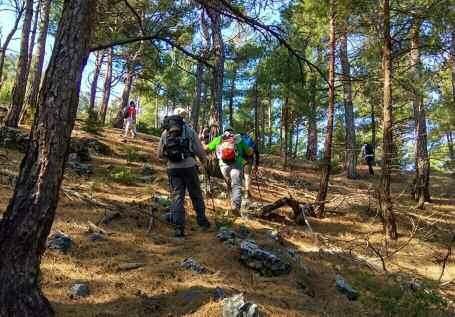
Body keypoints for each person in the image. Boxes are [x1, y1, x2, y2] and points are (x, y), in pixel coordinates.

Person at [158, 107, 210, 237]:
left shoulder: (165, 133)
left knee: (177, 197)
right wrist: (204, 161)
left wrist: (170, 159)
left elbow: (159, 154)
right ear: (183, 117)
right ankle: (202, 222)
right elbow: (199, 150)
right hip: (189, 166)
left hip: (172, 169)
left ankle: (178, 228)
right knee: (196, 194)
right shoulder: (190, 130)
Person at [205, 127, 253, 215]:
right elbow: (249, 152)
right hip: (237, 164)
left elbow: (207, 149)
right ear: (233, 132)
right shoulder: (238, 139)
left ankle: (231, 203)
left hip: (223, 166)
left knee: (229, 184)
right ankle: (236, 207)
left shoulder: (219, 138)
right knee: (236, 185)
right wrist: (251, 150)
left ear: (224, 132)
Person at [240, 132, 260, 199]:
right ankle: (247, 192)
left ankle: (239, 192)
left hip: (240, 159)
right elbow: (257, 153)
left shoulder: (240, 139)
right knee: (247, 176)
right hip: (249, 159)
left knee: (240, 175)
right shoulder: (252, 141)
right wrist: (256, 165)